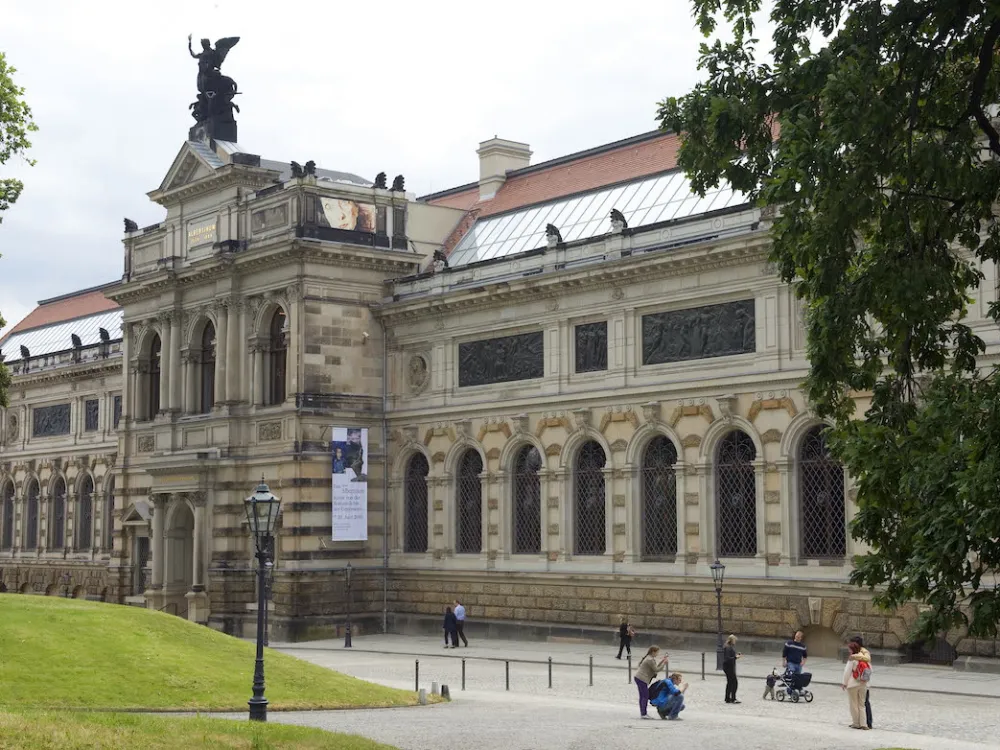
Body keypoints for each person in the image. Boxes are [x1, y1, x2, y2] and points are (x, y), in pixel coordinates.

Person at [841, 641, 871, 730]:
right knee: (862, 704)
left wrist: (844, 683)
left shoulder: (852, 659)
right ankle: (864, 724)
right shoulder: (864, 658)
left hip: (853, 684)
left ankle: (856, 723)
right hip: (863, 684)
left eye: (849, 649)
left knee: (853, 704)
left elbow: (847, 672)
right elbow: (869, 670)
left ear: (852, 650)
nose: (848, 650)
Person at [634, 645, 669, 719]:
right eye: (657, 652)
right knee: (645, 696)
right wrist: (664, 664)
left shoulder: (650, 658)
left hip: (639, 678)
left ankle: (643, 713)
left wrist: (662, 661)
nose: (657, 654)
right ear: (653, 652)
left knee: (642, 696)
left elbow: (655, 667)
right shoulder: (650, 660)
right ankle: (644, 714)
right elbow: (656, 669)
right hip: (642, 678)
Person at [848, 635, 873, 729]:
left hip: (861, 682)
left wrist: (854, 656)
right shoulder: (860, 652)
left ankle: (866, 722)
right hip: (864, 682)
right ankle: (863, 723)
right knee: (863, 703)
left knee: (863, 703)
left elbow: (868, 659)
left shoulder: (864, 652)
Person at [723, 634, 742, 703]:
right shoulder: (728, 647)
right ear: (732, 640)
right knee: (734, 683)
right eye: (735, 640)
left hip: (728, 667)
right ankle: (733, 698)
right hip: (728, 667)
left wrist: (736, 655)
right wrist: (736, 657)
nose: (735, 642)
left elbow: (730, 656)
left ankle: (727, 698)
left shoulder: (729, 646)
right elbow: (728, 658)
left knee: (730, 683)